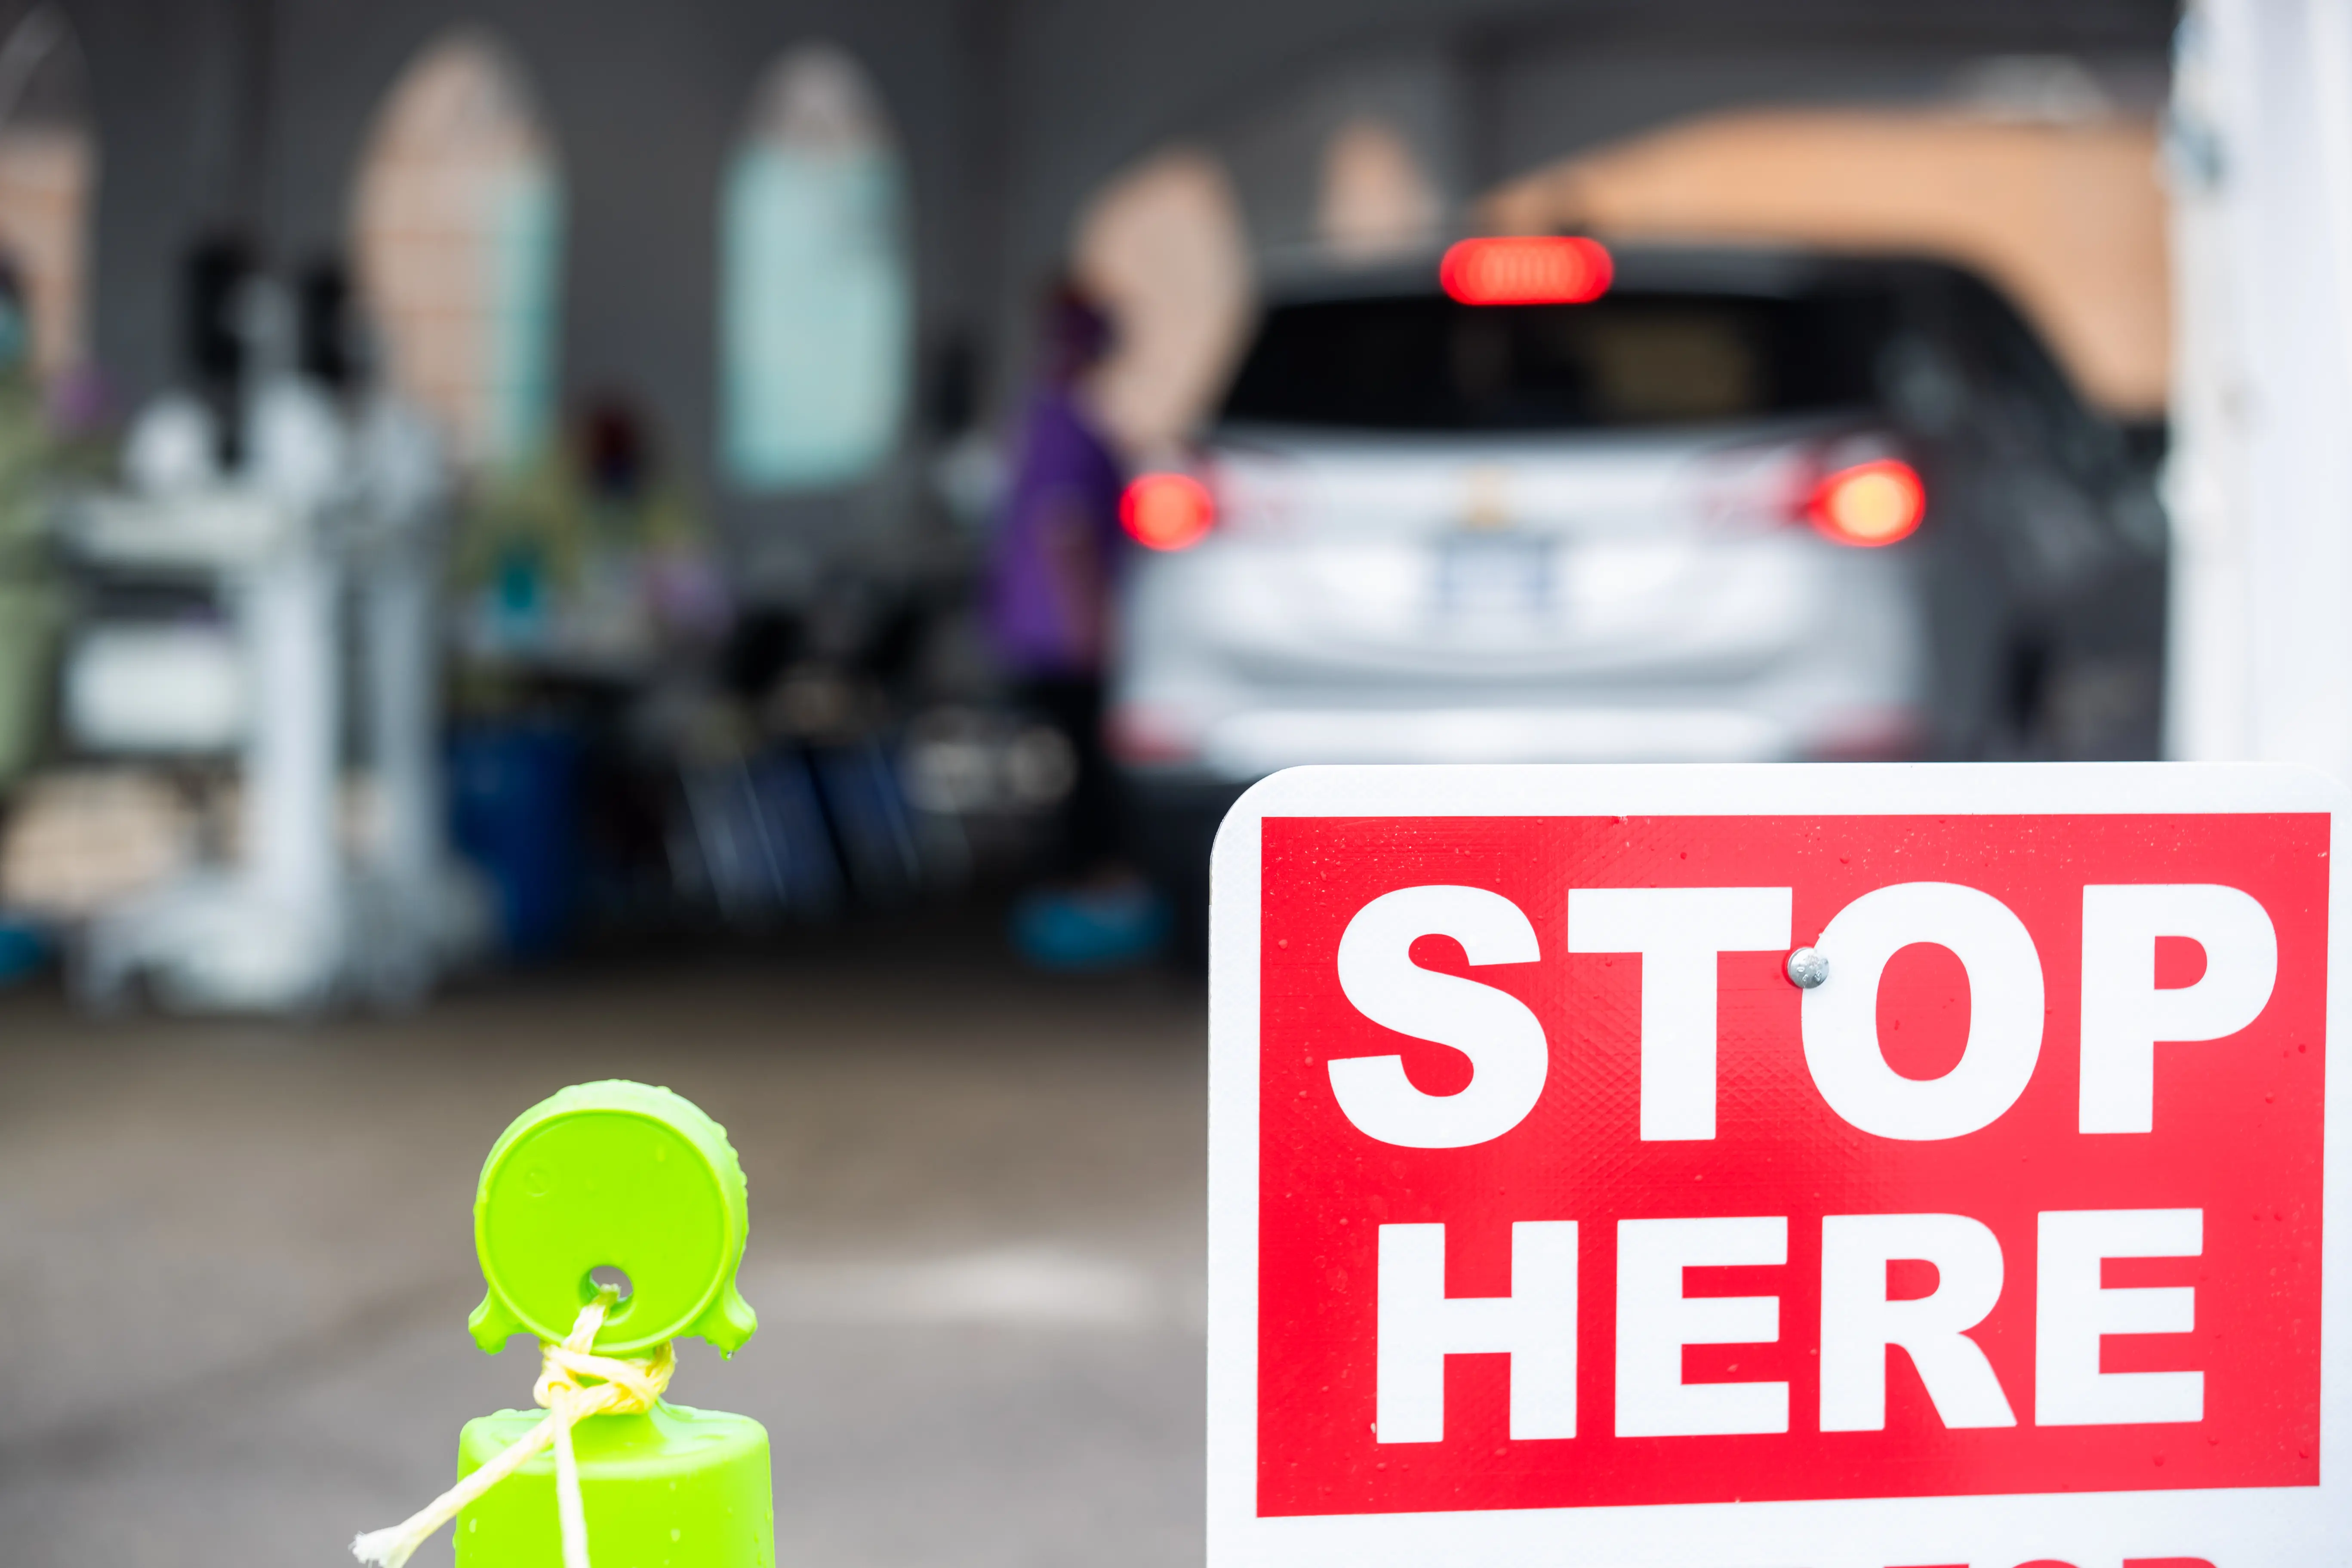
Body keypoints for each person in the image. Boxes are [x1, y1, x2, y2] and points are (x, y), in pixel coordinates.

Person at [985, 280, 1166, 968]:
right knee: (1086, 767)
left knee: (1077, 762)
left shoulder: (1044, 413)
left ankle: (1080, 895)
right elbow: (1065, 528)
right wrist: (1091, 624)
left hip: (1041, 624)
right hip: (1064, 628)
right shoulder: (1066, 418)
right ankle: (1083, 895)